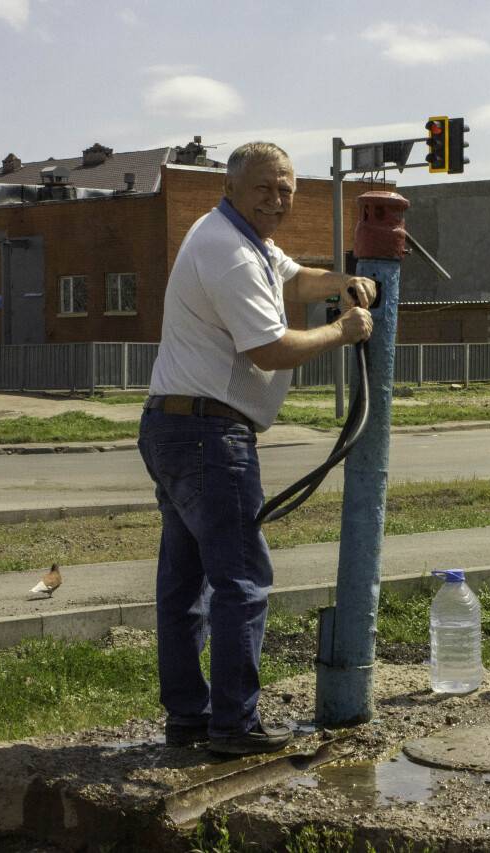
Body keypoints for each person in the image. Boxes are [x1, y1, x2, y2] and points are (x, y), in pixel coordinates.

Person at [139, 142, 375, 755]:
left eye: (286, 189)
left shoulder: (241, 239)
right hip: (206, 435)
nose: (278, 200)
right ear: (233, 188)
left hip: (179, 426)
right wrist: (342, 330)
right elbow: (267, 349)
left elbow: (296, 279)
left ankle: (190, 718)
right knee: (241, 580)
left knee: (185, 585)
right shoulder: (228, 252)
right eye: (265, 189)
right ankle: (233, 726)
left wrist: (344, 280)